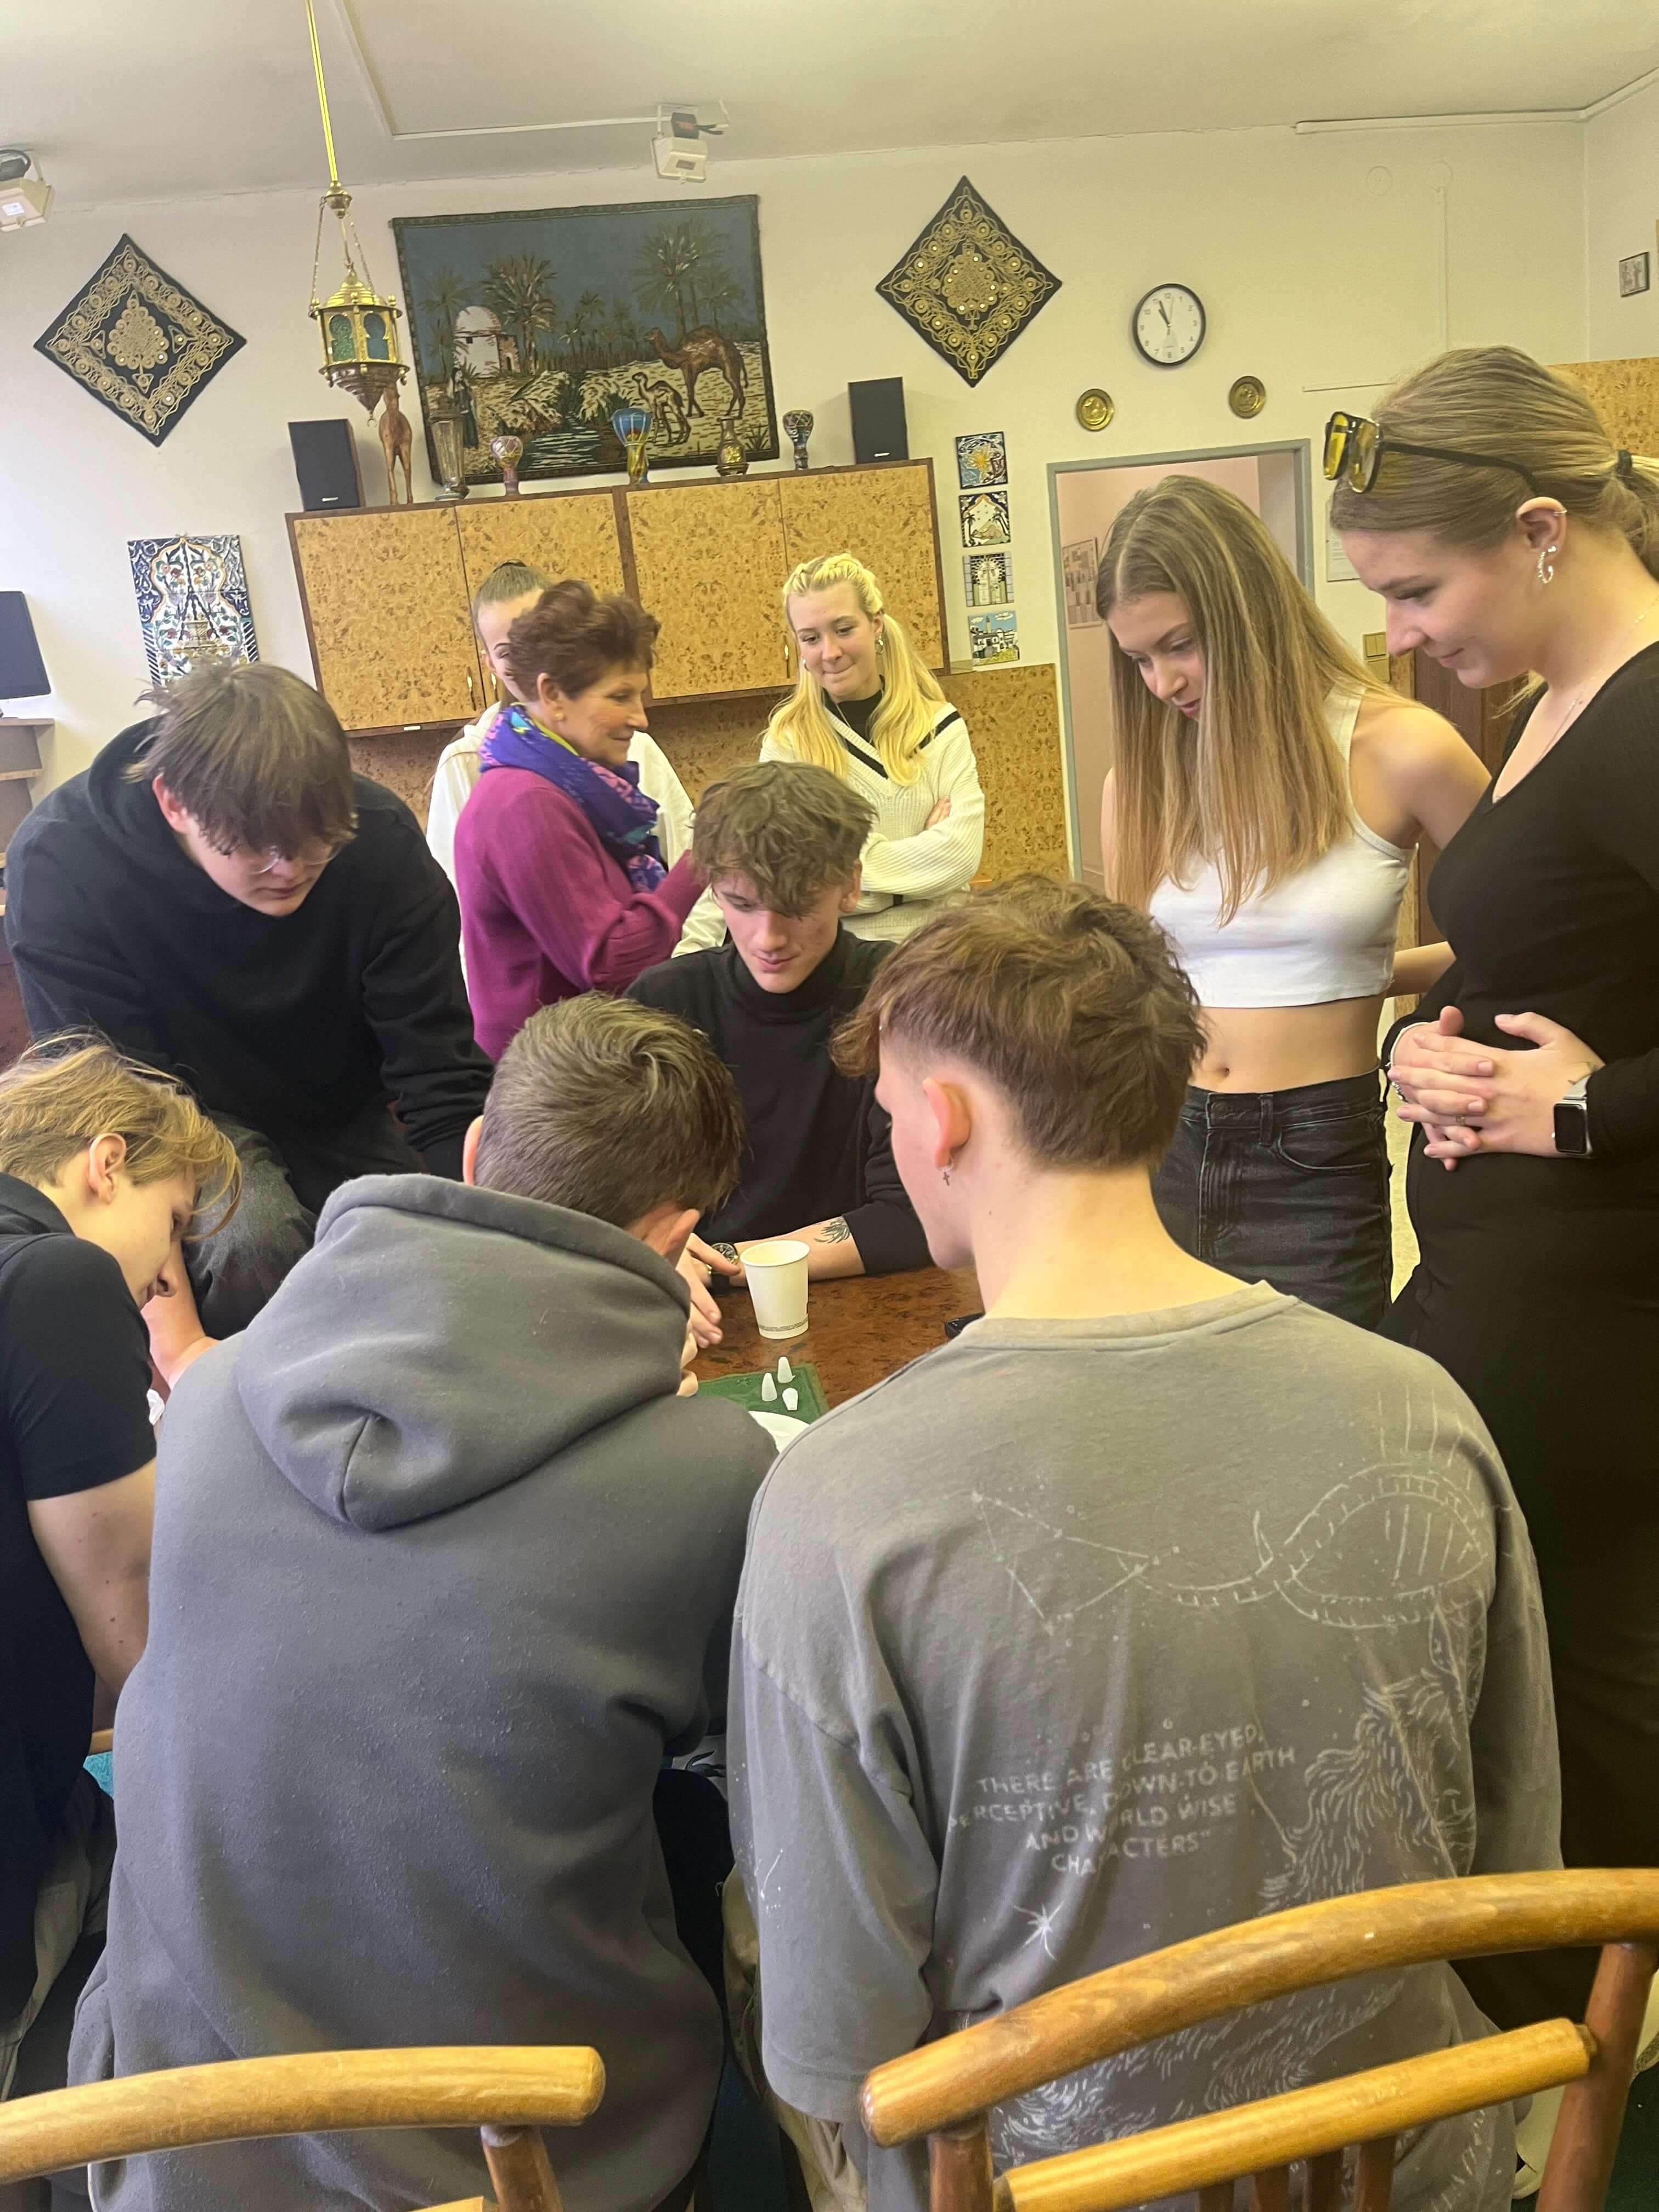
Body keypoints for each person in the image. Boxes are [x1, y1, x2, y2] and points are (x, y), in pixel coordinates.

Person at [727, 878, 1558, 2212]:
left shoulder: (835, 1501)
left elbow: (839, 2038)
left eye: (889, 1112)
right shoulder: (1424, 1410)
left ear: (942, 1119)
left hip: (1047, 2185)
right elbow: (1513, 1871)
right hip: (1405, 2162)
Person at [71, 995, 776, 2212]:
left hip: (173, 2134)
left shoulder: (215, 1399)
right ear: (677, 1234)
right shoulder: (708, 1472)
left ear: (475, 1152)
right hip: (536, 2156)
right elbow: (755, 1756)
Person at [1330, 346, 1659, 2028]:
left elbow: (1595, 1058)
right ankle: (1567, 2032)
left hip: (1593, 1314)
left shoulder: (1651, 707)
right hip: (1521, 1287)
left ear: (1540, 532)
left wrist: (1590, 1111)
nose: (1399, 635)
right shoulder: (1551, 704)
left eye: (1416, 590)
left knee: (1582, 1690)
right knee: (1566, 1685)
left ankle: (1570, 2048)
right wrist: (1430, 1040)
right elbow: (1567, 950)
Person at [1097, 475, 1487, 1328]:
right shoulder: (1142, 782)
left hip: (1314, 1156)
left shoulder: (1402, 747)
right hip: (1166, 1140)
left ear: (1247, 613)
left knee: (1322, 1395)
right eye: (1139, 659)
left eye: (1181, 644)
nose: (1162, 681)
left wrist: (1375, 978)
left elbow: (1534, 932)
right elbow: (1137, 982)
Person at [4, 664, 491, 1339]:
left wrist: (491, 1243)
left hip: (338, 1103)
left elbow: (441, 1076)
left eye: (317, 848)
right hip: (178, 1118)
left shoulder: (378, 840)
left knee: (411, 1242)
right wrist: (181, 1348)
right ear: (174, 803)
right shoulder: (66, 862)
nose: (289, 869)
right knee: (254, 1240)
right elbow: (116, 1115)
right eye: (258, 849)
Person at [0, 1039, 235, 2132]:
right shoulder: (57, 1278)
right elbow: (132, 1628)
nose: (161, 1279)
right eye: (175, 1224)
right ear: (106, 1163)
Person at [629, 762, 929, 1305]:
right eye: (742, 905)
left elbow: (912, 1218)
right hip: (692, 1303)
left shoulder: (901, 996)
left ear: (851, 885)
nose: (768, 938)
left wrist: (726, 1264)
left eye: (797, 907)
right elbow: (621, 1195)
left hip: (865, 1299)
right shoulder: (663, 1003)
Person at [454, 582, 706, 1056]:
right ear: (552, 694)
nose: (640, 718)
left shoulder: (558, 786)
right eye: (620, 697)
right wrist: (702, 861)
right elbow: (612, 964)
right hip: (553, 1080)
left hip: (572, 1060)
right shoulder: (526, 805)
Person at [426, 558, 703, 887]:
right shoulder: (469, 764)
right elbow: (453, 897)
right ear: (490, 664)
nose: (531, 662)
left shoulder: (627, 741)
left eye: (542, 641)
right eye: (509, 652)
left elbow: (691, 855)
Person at [761, 553, 984, 942]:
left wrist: (845, 880)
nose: (830, 652)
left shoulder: (940, 726)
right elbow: (793, 881)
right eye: (811, 638)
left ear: (876, 624)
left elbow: (961, 856)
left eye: (844, 629)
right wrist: (921, 873)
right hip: (838, 957)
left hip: (941, 954)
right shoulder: (787, 746)